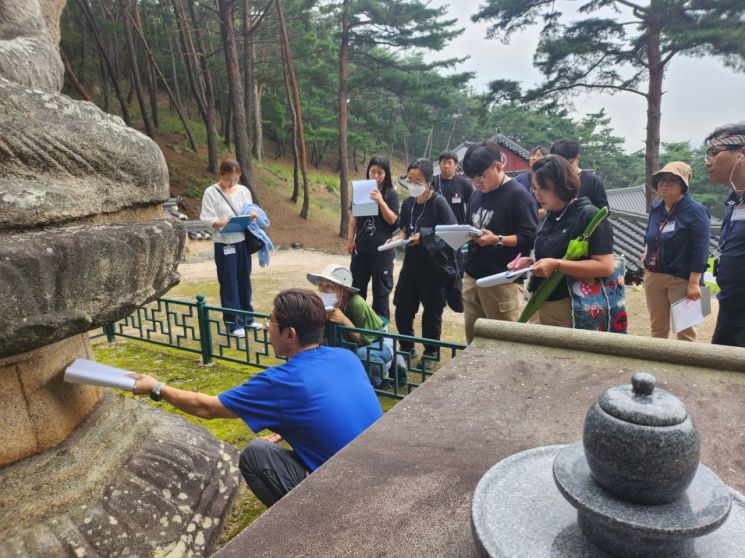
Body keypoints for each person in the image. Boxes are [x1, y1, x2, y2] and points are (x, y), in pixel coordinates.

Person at [129, 289, 383, 508]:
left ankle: (313, 524)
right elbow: (332, 405)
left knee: (255, 454)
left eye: (270, 322)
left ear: (290, 334)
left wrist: (157, 387)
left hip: (349, 495)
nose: (267, 328)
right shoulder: (345, 357)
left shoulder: (280, 382)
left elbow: (206, 407)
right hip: (380, 473)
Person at [510, 155, 615, 328]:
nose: (538, 194)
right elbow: (554, 254)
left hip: (571, 305)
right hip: (539, 299)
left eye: (545, 188)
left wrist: (557, 265)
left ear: (563, 185)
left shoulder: (590, 216)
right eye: (535, 188)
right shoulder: (550, 213)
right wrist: (532, 263)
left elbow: (605, 266)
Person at [461, 142, 538, 343]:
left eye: (482, 177)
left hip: (501, 281)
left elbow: (528, 237)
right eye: (473, 179)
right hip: (473, 277)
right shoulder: (476, 195)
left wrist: (498, 240)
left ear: (498, 166)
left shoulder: (519, 195)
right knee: (474, 339)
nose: (478, 183)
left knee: (503, 341)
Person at [388, 158, 457, 370]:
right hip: (412, 265)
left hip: (434, 268)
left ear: (429, 182)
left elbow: (451, 234)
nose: (412, 185)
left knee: (432, 312)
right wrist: (396, 238)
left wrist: (425, 237)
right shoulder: (408, 203)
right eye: (409, 180)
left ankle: (431, 351)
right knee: (403, 309)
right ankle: (407, 347)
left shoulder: (439, 203)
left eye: (417, 181)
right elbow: (404, 229)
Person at [642, 162, 711, 341]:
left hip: (682, 279)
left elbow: (701, 248)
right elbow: (649, 235)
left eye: (672, 180)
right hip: (654, 275)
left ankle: (686, 369)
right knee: (657, 327)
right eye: (662, 180)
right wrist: (647, 252)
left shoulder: (696, 211)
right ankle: (656, 365)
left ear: (683, 186)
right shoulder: (656, 208)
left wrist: (694, 282)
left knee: (686, 331)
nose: (665, 184)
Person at [200, 159, 261, 336]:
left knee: (244, 279)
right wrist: (224, 223)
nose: (232, 183)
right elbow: (206, 219)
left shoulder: (243, 191)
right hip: (224, 242)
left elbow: (249, 210)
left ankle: (248, 318)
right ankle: (234, 323)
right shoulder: (211, 192)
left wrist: (252, 216)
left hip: (242, 240)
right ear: (221, 175)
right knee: (229, 283)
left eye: (235, 179)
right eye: (228, 179)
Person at [307, 264, 393, 387]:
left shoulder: (356, 302)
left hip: (378, 340)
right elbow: (323, 338)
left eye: (329, 286)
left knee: (363, 355)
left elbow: (366, 340)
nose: (323, 289)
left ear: (342, 289)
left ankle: (379, 380)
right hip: (350, 342)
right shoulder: (322, 304)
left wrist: (344, 320)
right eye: (321, 285)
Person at [704, 122, 745, 347]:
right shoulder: (733, 202)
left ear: (742, 153)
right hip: (729, 309)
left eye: (714, 153)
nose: (707, 161)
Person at [346, 156, 400, 320]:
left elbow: (392, 220)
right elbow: (354, 218)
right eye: (373, 171)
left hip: (382, 250)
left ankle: (380, 330)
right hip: (362, 247)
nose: (376, 176)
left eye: (380, 173)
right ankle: (355, 326)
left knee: (381, 291)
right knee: (356, 289)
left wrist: (380, 201)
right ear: (368, 171)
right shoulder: (362, 190)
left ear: (386, 174)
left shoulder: (391, 193)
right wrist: (350, 239)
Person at [550, 139, 609, 211]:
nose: (563, 168)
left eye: (567, 164)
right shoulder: (549, 179)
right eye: (558, 165)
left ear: (577, 158)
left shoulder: (592, 181)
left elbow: (603, 210)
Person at [432, 150, 475, 225]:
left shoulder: (464, 184)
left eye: (449, 163)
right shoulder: (432, 182)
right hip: (434, 227)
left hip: (456, 226)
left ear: (455, 165)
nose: (446, 166)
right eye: (444, 163)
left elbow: (473, 206)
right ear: (439, 164)